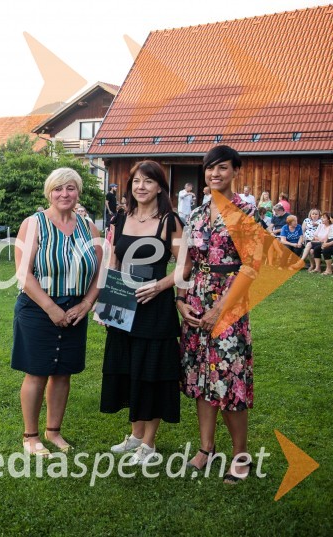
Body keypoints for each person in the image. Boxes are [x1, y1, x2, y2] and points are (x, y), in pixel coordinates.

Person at [177, 145, 259, 484]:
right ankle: (206, 448)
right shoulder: (197, 213)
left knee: (229, 377)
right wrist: (180, 298)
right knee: (200, 378)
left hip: (229, 303)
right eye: (210, 168)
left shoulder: (244, 212)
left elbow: (252, 267)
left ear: (235, 171)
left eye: (223, 168)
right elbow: (187, 258)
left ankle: (241, 455)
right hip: (195, 301)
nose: (215, 174)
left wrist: (220, 309)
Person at [12, 168, 102, 456]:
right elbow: (23, 275)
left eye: (71, 188)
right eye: (58, 189)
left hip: (75, 309)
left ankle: (53, 432)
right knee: (37, 373)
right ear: (49, 193)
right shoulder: (34, 224)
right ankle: (30, 435)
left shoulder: (89, 227)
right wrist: (51, 308)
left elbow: (101, 273)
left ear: (78, 192)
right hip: (38, 308)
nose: (64, 194)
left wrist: (86, 304)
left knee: (63, 374)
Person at [101, 161, 185, 466]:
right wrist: (108, 301)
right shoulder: (121, 218)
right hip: (124, 306)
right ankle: (135, 436)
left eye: (148, 181)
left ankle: (148, 445)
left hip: (155, 309)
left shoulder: (169, 221)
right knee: (130, 370)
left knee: (151, 373)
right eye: (136, 181)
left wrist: (159, 286)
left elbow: (185, 264)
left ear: (160, 187)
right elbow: (114, 260)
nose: (141, 186)